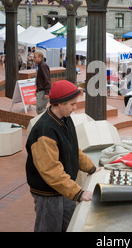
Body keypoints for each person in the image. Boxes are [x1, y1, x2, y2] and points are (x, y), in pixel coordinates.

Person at [25, 80, 101, 232]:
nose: (75, 107)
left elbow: (73, 150)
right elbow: (51, 170)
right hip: (48, 194)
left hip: (64, 189)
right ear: (58, 104)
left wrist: (91, 168)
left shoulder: (66, 119)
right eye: (72, 104)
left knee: (69, 226)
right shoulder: (45, 130)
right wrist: (78, 193)